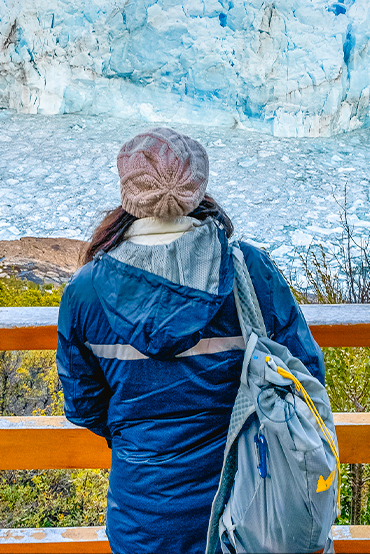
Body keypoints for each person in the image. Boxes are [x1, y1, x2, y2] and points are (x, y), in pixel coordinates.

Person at [56, 127, 325, 554]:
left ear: (129, 190)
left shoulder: (86, 291)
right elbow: (305, 372)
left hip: (142, 518)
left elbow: (84, 404)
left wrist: (139, 436)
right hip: (246, 508)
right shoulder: (247, 269)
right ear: (197, 187)